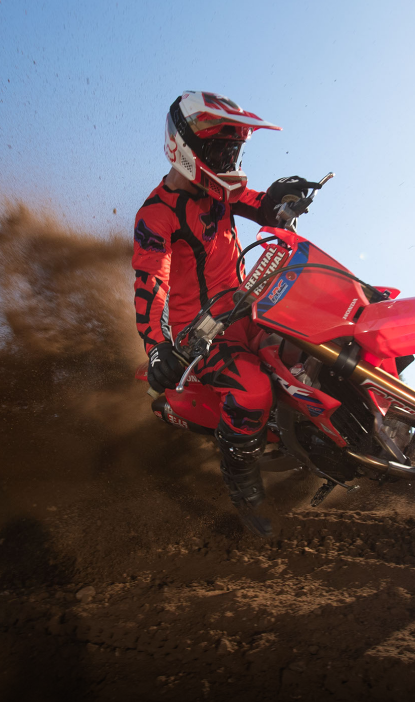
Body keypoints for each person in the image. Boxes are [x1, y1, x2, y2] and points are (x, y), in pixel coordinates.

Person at [132, 91, 312, 536]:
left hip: (254, 307)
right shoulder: (156, 215)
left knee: (316, 335)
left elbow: (261, 205)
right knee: (252, 390)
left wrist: (283, 200)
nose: (229, 162)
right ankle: (243, 485)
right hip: (204, 335)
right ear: (186, 148)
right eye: (220, 152)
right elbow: (150, 283)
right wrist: (156, 347)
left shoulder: (219, 191)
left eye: (234, 152)